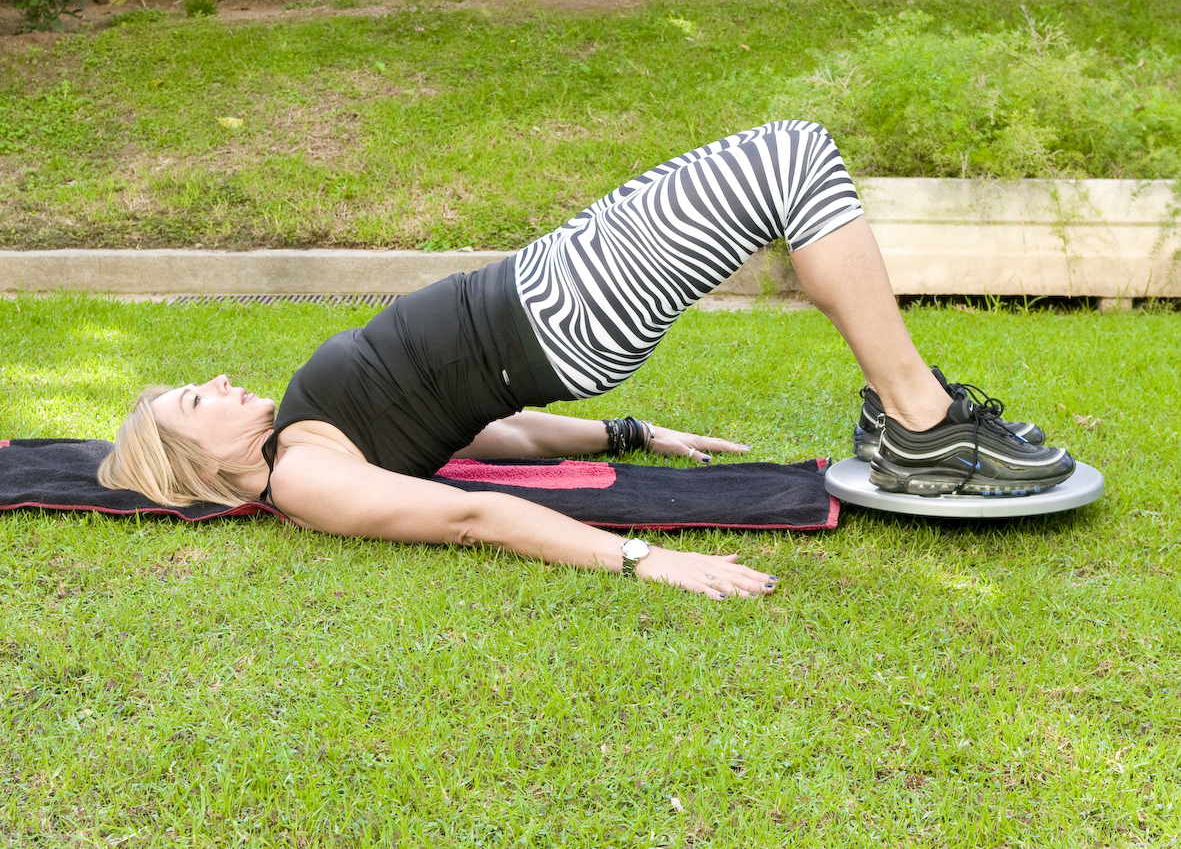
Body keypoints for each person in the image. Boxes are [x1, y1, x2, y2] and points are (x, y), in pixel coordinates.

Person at [98, 121, 1073, 599]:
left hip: (547, 283)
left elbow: (484, 433)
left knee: (794, 157)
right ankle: (917, 422)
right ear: (204, 464)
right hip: (559, 308)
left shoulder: (316, 430)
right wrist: (647, 558)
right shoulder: (308, 479)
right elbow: (472, 514)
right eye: (199, 398)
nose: (221, 382)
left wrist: (633, 431)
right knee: (791, 160)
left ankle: (912, 414)